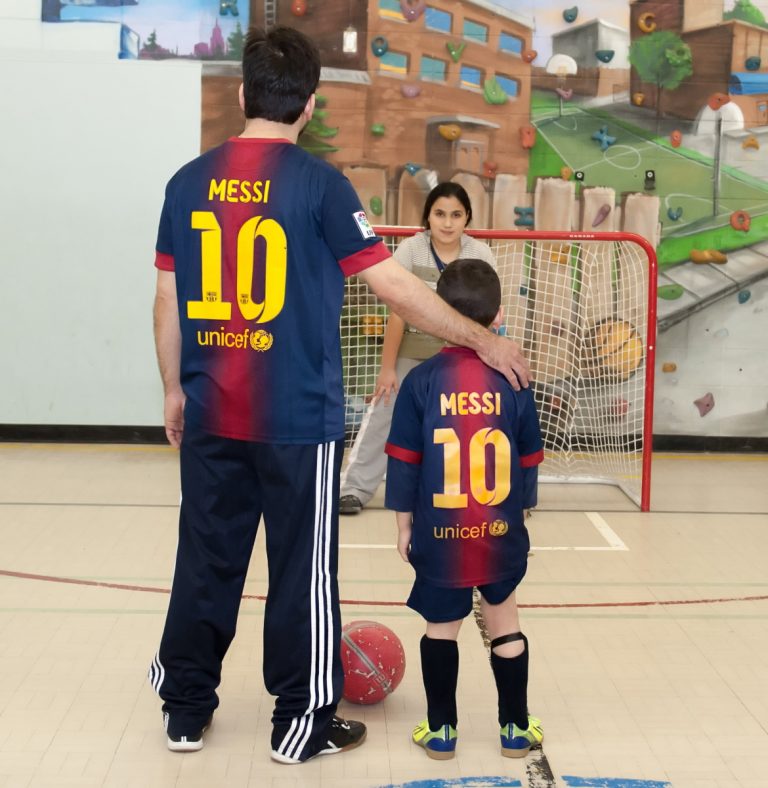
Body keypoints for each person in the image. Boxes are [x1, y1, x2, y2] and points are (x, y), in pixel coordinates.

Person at [149, 25, 530, 763]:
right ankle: (301, 724)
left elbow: (166, 297)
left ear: (241, 96)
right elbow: (392, 285)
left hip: (210, 408)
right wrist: (483, 339)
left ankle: (186, 712)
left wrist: (173, 389)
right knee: (302, 573)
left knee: (205, 560)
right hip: (295, 418)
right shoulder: (320, 185)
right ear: (309, 104)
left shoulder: (186, 182)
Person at [384, 258, 544, 761]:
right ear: (498, 317)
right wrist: (521, 515)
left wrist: (403, 523)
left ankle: (442, 731)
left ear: (435, 316)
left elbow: (405, 462)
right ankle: (515, 729)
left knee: (440, 629)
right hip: (498, 530)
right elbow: (528, 461)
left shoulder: (421, 382)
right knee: (505, 622)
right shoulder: (514, 377)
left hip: (439, 532)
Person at [340, 183, 495, 516]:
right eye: (440, 214)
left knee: (466, 418)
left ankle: (473, 490)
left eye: (456, 214)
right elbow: (398, 311)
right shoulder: (411, 249)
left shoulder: (480, 254)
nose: (448, 223)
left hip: (461, 357)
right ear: (428, 216)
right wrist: (387, 369)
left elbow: (490, 316)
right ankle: (354, 488)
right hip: (412, 352)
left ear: (467, 217)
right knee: (384, 410)